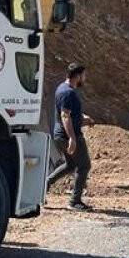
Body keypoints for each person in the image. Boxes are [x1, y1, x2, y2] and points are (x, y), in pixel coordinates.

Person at [47, 63, 92, 210]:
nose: (85, 78)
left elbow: (70, 113)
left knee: (70, 165)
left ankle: (45, 185)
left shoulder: (62, 88)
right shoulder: (68, 93)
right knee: (84, 165)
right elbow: (65, 115)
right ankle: (75, 201)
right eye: (84, 75)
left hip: (60, 135)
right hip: (68, 136)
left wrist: (83, 118)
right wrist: (72, 138)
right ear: (77, 76)